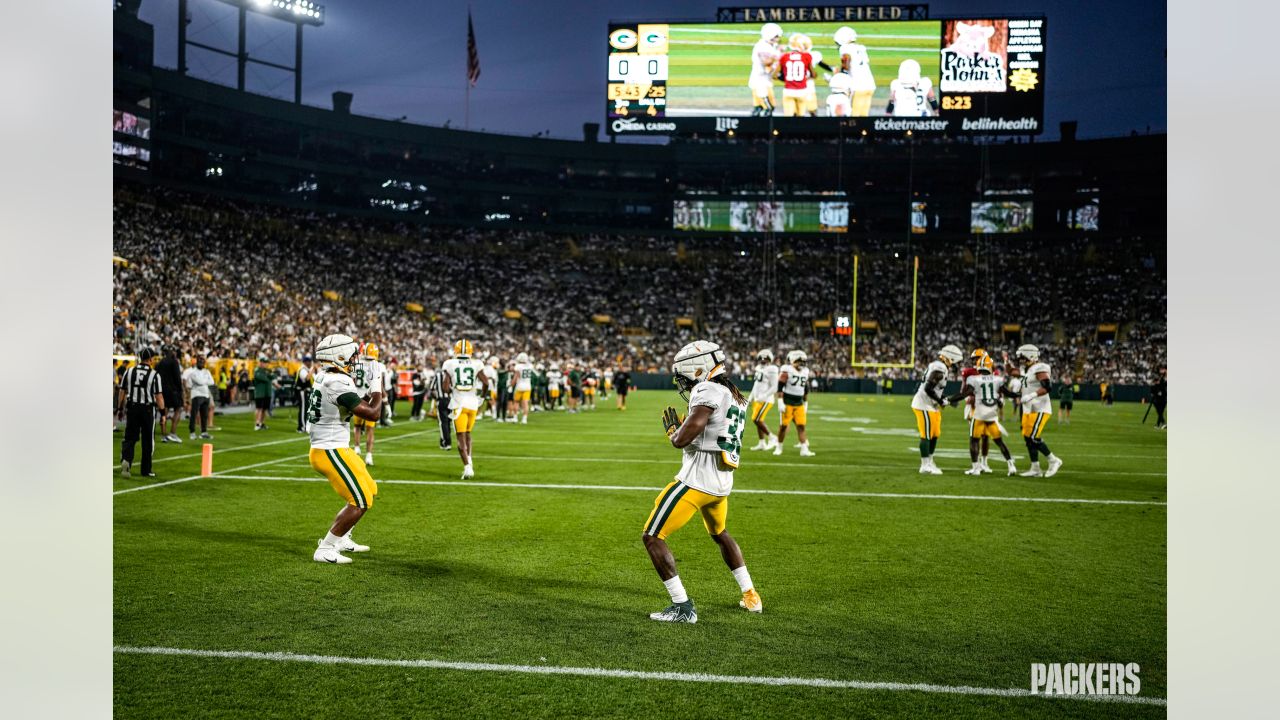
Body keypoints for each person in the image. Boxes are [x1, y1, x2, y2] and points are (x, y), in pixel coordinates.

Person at [644, 341, 760, 623]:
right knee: (720, 533)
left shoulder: (708, 388)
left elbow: (685, 436)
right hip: (721, 484)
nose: (683, 383)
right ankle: (750, 595)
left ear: (699, 368)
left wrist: (675, 433)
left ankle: (682, 606)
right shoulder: (735, 395)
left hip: (696, 482)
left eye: (684, 376)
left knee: (652, 536)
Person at [306, 334, 382, 564]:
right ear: (337, 357)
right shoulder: (336, 381)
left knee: (370, 489)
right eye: (351, 356)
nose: (355, 360)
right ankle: (326, 547)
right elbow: (373, 413)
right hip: (329, 450)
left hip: (336, 446)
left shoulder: (327, 377)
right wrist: (378, 384)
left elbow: (356, 402)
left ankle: (342, 538)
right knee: (360, 500)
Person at [949, 354, 1018, 476]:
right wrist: (1019, 395)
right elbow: (1007, 393)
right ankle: (1011, 465)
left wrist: (950, 399)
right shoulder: (997, 379)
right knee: (999, 442)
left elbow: (966, 393)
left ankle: (976, 468)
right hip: (991, 415)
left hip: (979, 415)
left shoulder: (974, 379)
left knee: (974, 440)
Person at [911, 345, 964, 474]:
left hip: (931, 405)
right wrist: (941, 401)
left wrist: (944, 399)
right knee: (927, 435)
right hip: (923, 404)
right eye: (954, 361)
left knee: (935, 434)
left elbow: (934, 390)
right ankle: (924, 465)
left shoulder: (939, 366)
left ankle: (930, 461)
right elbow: (928, 388)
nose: (955, 364)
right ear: (949, 358)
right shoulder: (940, 368)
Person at [441, 339, 490, 478]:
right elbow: (486, 382)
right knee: (468, 434)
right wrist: (483, 396)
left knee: (460, 436)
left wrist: (453, 393)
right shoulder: (476, 363)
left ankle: (467, 467)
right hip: (473, 403)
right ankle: (470, 460)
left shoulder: (450, 363)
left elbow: (445, 387)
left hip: (459, 404)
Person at [1013, 345, 1064, 477]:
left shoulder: (1039, 367)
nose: (1020, 360)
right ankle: (1035, 467)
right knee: (1027, 437)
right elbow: (1012, 372)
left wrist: (1031, 395)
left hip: (1040, 407)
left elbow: (1048, 387)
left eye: (1022, 357)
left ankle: (1053, 460)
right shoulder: (1027, 369)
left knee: (1033, 437)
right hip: (1029, 409)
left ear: (1031, 356)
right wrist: (1006, 361)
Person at [117, 348, 165, 478]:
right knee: (147, 440)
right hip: (147, 409)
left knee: (130, 437)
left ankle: (126, 460)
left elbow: (122, 391)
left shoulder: (129, 371)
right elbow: (159, 396)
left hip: (132, 408)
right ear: (150, 359)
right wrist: (163, 413)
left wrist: (120, 409)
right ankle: (146, 470)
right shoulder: (154, 374)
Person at [774, 350, 815, 456]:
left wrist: (805, 403)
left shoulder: (805, 371)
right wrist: (780, 401)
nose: (801, 363)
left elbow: (806, 389)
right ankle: (779, 446)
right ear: (792, 361)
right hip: (787, 402)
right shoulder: (786, 370)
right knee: (783, 426)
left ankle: (804, 449)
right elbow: (780, 386)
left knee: (801, 426)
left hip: (799, 403)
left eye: (802, 361)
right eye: (798, 361)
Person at [351, 343, 385, 466]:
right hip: (371, 400)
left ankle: (356, 448)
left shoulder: (357, 363)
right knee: (370, 429)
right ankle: (369, 456)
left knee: (357, 427)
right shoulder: (377, 365)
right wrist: (385, 401)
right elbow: (379, 385)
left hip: (358, 400)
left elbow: (352, 381)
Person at [833, 26, 876, 116]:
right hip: (870, 84)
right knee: (864, 116)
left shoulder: (845, 48)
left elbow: (846, 64)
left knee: (854, 117)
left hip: (858, 85)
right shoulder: (861, 48)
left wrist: (840, 74)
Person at [748, 23, 783, 116]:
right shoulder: (762, 46)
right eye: (776, 36)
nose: (778, 38)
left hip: (764, 78)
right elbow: (766, 62)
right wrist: (778, 54)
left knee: (760, 107)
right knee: (769, 107)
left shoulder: (770, 45)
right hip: (760, 80)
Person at [748, 349, 779, 450]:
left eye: (765, 358)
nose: (763, 360)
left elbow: (775, 387)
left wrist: (765, 395)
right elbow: (756, 385)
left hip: (766, 400)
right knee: (759, 421)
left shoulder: (772, 369)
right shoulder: (758, 368)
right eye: (761, 358)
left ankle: (772, 437)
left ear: (770, 359)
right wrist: (750, 397)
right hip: (757, 399)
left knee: (756, 419)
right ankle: (762, 443)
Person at [780, 34, 817, 117]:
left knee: (789, 116)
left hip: (789, 89)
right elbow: (814, 74)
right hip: (803, 89)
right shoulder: (808, 56)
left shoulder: (786, 56)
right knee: (803, 115)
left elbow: (776, 74)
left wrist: (787, 79)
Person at [156, 345, 184, 443]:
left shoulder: (159, 363)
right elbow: (177, 378)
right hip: (173, 390)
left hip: (161, 390)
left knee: (164, 411)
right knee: (179, 409)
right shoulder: (174, 361)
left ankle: (164, 434)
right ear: (170, 352)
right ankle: (172, 433)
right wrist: (180, 390)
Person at [182, 355, 215, 440]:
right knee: (194, 414)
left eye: (203, 361)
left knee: (204, 415)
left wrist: (204, 381)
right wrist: (205, 381)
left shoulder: (207, 371)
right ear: (197, 362)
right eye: (200, 361)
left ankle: (204, 432)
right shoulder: (193, 373)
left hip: (205, 394)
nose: (201, 363)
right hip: (196, 395)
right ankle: (192, 432)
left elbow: (212, 382)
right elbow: (200, 382)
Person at [252, 357, 277, 430]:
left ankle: (262, 423)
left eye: (267, 363)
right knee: (259, 408)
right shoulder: (257, 370)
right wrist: (269, 376)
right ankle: (257, 424)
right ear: (261, 363)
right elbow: (263, 378)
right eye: (265, 363)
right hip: (260, 393)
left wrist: (270, 375)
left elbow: (274, 376)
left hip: (267, 392)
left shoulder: (266, 371)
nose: (266, 364)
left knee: (264, 409)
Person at [512, 352, 535, 424]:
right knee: (525, 403)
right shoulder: (530, 366)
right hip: (528, 386)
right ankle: (524, 419)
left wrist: (511, 385)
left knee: (516, 402)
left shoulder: (518, 366)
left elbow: (516, 377)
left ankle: (515, 418)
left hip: (519, 386)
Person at [295, 355, 314, 433]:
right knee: (303, 409)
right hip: (302, 391)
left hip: (305, 392)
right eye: (309, 362)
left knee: (306, 409)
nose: (311, 363)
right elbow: (307, 378)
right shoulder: (302, 369)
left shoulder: (306, 369)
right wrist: (313, 369)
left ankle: (304, 425)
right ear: (306, 362)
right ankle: (301, 427)